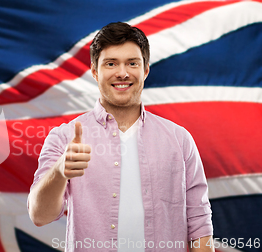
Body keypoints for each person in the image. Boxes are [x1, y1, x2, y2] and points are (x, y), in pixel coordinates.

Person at [27, 22, 213, 252]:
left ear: (145, 70)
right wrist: (59, 171)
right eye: (111, 63)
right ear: (95, 71)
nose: (122, 73)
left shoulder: (180, 140)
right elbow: (39, 215)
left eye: (132, 63)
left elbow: (199, 224)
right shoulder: (64, 138)